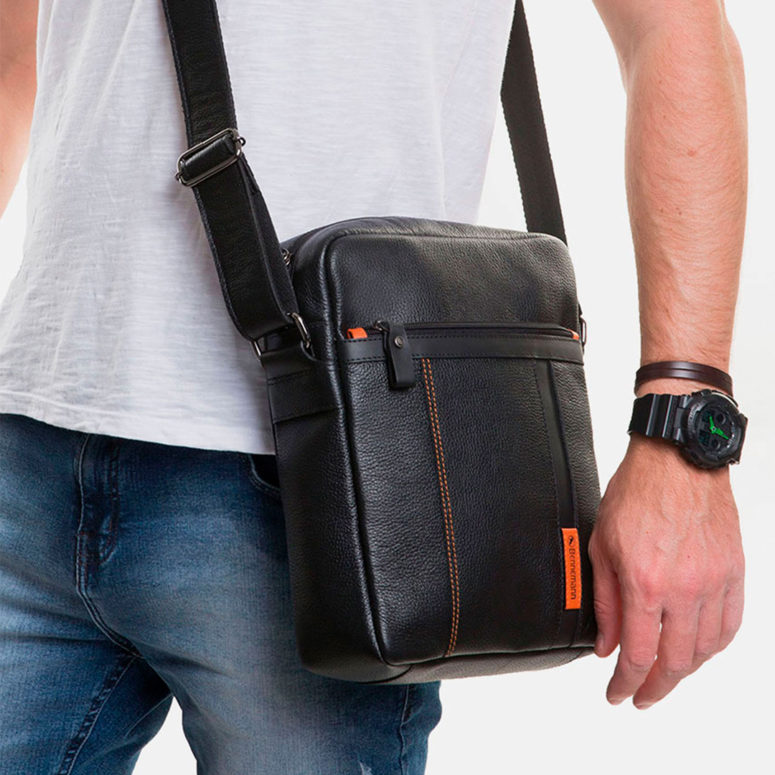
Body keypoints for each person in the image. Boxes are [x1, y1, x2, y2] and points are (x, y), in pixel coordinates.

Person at [0, 0, 747, 772]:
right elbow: (14, 56)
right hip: (28, 444)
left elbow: (675, 27)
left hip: (326, 481)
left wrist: (684, 436)